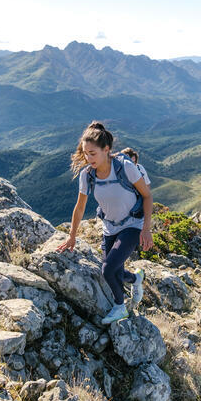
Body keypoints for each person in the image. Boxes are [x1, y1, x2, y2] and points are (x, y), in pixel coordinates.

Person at [56, 122, 154, 325]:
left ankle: (120, 307)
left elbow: (147, 196)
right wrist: (72, 236)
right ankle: (136, 279)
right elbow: (80, 207)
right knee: (115, 272)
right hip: (109, 227)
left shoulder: (125, 167)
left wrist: (146, 229)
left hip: (133, 225)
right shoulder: (87, 175)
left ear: (106, 149)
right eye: (85, 153)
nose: (88, 158)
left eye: (92, 153)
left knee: (107, 269)